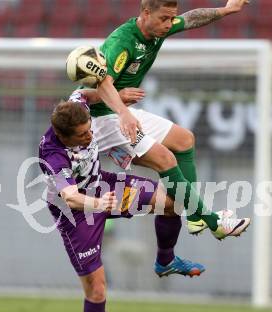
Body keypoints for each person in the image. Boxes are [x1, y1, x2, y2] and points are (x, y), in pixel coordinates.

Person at [39, 91, 205, 312]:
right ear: (64, 137)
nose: (91, 136)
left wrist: (118, 96)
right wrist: (96, 205)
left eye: (90, 128)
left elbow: (88, 92)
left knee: (173, 201)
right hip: (76, 214)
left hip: (104, 186)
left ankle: (165, 260)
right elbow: (70, 196)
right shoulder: (52, 155)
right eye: (82, 134)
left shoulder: (76, 107)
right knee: (97, 291)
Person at [90, 0, 250, 240]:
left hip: (121, 112)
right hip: (104, 118)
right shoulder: (122, 43)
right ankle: (214, 223)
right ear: (145, 13)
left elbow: (191, 18)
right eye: (164, 18)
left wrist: (226, 10)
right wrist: (123, 112)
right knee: (166, 159)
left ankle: (194, 218)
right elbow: (101, 84)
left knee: (184, 140)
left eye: (171, 18)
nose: (169, 24)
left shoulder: (157, 29)